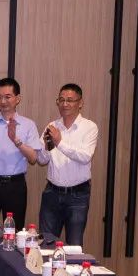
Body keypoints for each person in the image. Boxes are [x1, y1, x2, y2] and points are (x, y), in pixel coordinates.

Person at [0, 78, 42, 231]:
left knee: (14, 231)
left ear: (18, 98)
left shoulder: (28, 124)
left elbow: (33, 159)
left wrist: (15, 140)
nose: (3, 101)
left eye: (7, 97)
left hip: (15, 185)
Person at [36, 83, 98, 246]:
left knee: (74, 246)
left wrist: (59, 142)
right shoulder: (52, 126)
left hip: (78, 195)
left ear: (80, 103)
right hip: (52, 193)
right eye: (61, 100)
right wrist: (46, 147)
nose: (64, 104)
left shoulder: (89, 127)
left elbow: (85, 156)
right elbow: (42, 160)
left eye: (70, 100)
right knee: (46, 244)